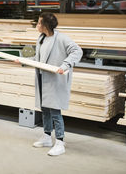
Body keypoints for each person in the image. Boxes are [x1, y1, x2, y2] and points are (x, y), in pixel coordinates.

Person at [18, 12, 82, 156]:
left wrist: (65, 65)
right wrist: (24, 61)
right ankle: (47, 137)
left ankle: (60, 142)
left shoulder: (61, 39)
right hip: (42, 78)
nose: (37, 25)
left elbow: (77, 51)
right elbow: (39, 58)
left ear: (46, 25)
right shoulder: (41, 38)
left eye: (40, 23)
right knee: (45, 109)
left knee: (55, 111)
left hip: (55, 80)